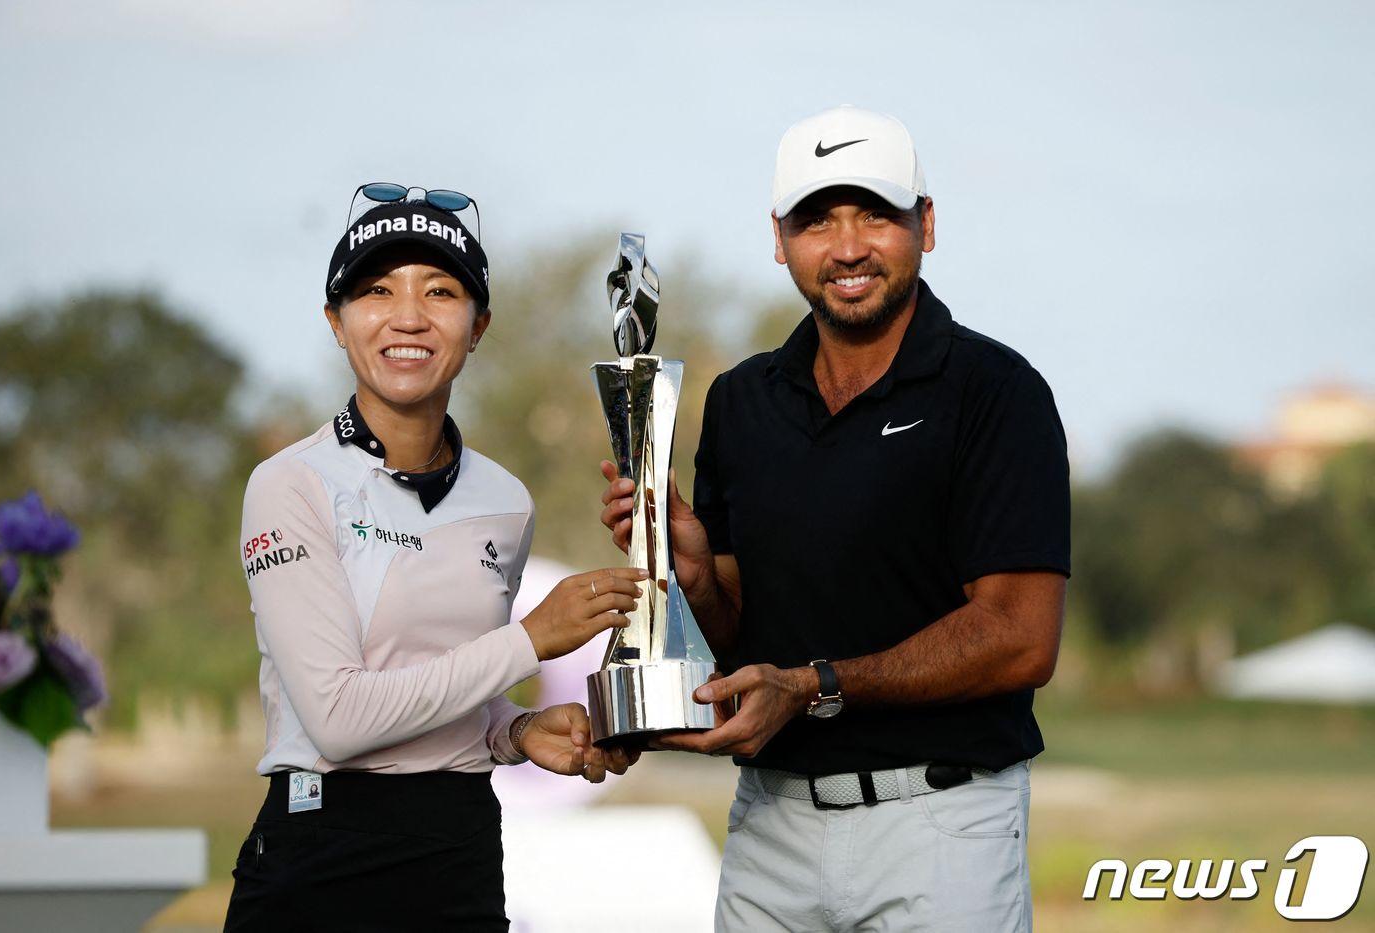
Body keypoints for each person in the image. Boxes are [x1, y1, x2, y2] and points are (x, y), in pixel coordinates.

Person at [599, 106, 1070, 931]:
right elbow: (740, 633)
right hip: (771, 825)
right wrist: (700, 577)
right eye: (817, 220)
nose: (847, 246)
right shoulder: (742, 400)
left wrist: (815, 686)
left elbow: (1022, 635)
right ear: (779, 238)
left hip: (941, 822)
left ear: (926, 224)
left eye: (875, 215)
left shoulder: (996, 391)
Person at [225, 184, 645, 932]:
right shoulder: (290, 483)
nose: (409, 315)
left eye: (441, 291)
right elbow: (340, 719)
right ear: (336, 321)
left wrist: (511, 731)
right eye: (377, 291)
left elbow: (435, 681)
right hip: (319, 855)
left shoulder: (506, 501)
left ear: (479, 324)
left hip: (460, 853)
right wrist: (530, 640)